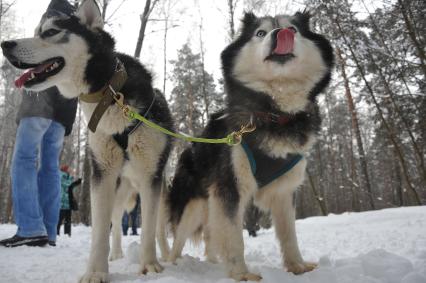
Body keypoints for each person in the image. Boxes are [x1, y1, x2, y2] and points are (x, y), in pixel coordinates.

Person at [0, 84, 78, 247]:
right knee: (50, 167)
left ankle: (31, 229)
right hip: (66, 103)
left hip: (39, 98)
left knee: (24, 158)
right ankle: (49, 232)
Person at [57, 165, 81, 237]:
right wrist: (72, 176)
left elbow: (71, 186)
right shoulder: (61, 176)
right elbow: (67, 184)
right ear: (65, 170)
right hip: (62, 202)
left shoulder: (67, 177)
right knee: (59, 219)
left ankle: (67, 234)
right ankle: (56, 233)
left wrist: (79, 181)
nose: (70, 170)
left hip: (68, 203)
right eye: (69, 169)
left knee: (68, 219)